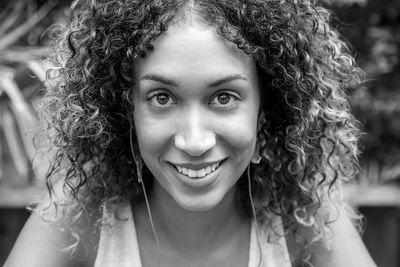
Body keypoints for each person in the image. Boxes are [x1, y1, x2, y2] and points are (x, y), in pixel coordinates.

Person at [5, 0, 377, 266]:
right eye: (162, 98)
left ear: (267, 109)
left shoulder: (306, 218)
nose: (194, 141)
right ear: (125, 111)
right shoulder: (80, 218)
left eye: (224, 97)